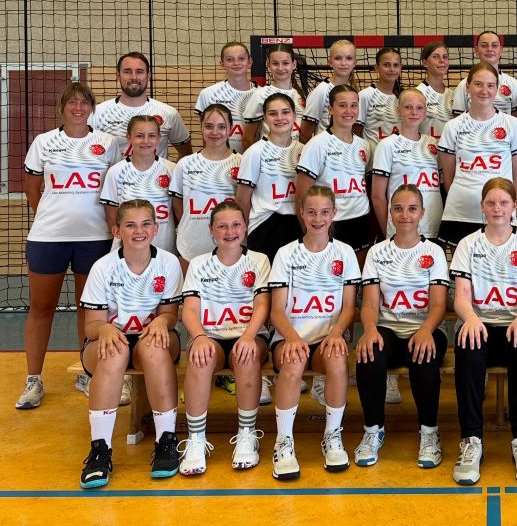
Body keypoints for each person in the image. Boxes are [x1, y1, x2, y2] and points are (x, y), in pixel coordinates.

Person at [17, 82, 119, 410]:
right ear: (61, 108)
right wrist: (52, 215)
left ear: (92, 108)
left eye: (84, 102)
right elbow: (32, 187)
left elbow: (115, 187)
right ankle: (34, 379)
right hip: (49, 238)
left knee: (89, 309)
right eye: (71, 103)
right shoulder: (44, 142)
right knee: (41, 308)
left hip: (95, 238)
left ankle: (88, 373)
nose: (78, 108)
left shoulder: (108, 143)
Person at [78, 200, 183, 489]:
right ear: (117, 231)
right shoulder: (103, 267)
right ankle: (100, 450)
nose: (139, 231)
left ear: (156, 228)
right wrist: (105, 329)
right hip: (110, 339)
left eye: (146, 224)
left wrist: (163, 321)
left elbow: (170, 315)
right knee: (115, 352)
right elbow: (91, 325)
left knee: (154, 348)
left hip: (153, 338)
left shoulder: (168, 263)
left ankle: (166, 442)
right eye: (130, 225)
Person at [450, 178, 517, 486]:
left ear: (515, 205)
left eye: (504, 202)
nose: (497, 209)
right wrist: (470, 318)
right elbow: (461, 297)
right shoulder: (467, 244)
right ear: (482, 206)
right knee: (468, 349)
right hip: (480, 323)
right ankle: (471, 441)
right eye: (491, 203)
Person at [267, 186, 360, 479]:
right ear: (301, 214)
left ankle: (332, 436)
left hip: (327, 338)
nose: (318, 219)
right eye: (311, 212)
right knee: (293, 361)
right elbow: (276, 311)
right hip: (290, 337)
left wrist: (337, 332)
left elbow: (349, 307)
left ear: (333, 214)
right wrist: (292, 338)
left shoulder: (345, 252)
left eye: (324, 212)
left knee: (337, 360)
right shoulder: (285, 254)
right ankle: (284, 441)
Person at [355, 185, 450, 469]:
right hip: (389, 329)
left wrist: (425, 330)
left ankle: (429, 432)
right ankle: (373, 430)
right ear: (390, 213)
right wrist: (369, 329)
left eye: (411, 209)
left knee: (424, 356)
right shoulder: (377, 252)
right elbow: (370, 304)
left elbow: (438, 305)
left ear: (422, 213)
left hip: (425, 328)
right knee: (369, 353)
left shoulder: (433, 252)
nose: (405, 215)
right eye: (398, 208)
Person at [177, 202, 271, 476]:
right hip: (211, 337)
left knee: (247, 355)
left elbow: (262, 305)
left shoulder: (259, 260)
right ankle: (196, 440)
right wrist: (199, 337)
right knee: (200, 358)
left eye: (236, 225)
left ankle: (247, 435)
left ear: (245, 227)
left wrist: (249, 336)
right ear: (211, 230)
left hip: (249, 336)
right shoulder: (198, 264)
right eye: (222, 226)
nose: (230, 232)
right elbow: (190, 310)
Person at [437, 63, 517, 247]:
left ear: (497, 89)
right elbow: (449, 179)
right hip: (461, 213)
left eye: (490, 85)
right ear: (468, 87)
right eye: (478, 84)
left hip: (499, 214)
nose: (484, 91)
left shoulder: (512, 124)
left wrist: (504, 204)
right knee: (462, 264)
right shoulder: (453, 126)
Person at [296, 84, 373, 265]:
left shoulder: (364, 145)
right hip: (332, 222)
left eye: (353, 105)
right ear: (331, 109)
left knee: (356, 277)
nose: (349, 111)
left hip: (361, 220)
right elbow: (301, 196)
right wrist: (310, 232)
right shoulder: (317, 145)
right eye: (342, 105)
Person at [169, 104, 241, 270]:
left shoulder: (241, 162)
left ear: (231, 129)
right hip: (192, 244)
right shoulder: (185, 164)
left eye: (221, 127)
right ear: (201, 128)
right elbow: (178, 204)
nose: (215, 132)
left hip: (230, 243)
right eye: (209, 126)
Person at [236, 93, 304, 262]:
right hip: (265, 226)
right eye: (273, 113)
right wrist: (243, 235)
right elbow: (242, 199)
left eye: (285, 112)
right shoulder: (255, 152)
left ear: (294, 115)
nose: (280, 118)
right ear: (265, 118)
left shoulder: (304, 150)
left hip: (298, 223)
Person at [371, 88, 443, 241]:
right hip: (402, 231)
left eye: (419, 108)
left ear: (425, 112)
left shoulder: (433, 144)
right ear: (399, 110)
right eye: (408, 107)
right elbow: (377, 196)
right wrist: (390, 231)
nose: (414, 112)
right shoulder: (387, 145)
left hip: (433, 228)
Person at [90, 52, 192, 160]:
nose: (134, 77)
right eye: (127, 71)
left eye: (139, 72)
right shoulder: (98, 113)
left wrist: (170, 169)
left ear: (148, 76)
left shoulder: (169, 113)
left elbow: (186, 154)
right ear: (118, 76)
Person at [101, 115, 177, 255]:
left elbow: (178, 212)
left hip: (164, 248)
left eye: (151, 136)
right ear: (129, 137)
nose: (146, 141)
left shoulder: (172, 169)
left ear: (159, 138)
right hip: (127, 250)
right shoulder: (116, 172)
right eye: (139, 136)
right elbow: (112, 217)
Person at [242, 45, 307, 151]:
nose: (280, 68)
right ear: (268, 66)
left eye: (285, 63)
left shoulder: (298, 95)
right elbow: (247, 138)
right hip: (269, 156)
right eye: (275, 64)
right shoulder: (261, 95)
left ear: (294, 64)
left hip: (294, 156)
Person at [196, 42, 255, 153]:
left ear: (250, 62)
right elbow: (206, 134)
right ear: (222, 64)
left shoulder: (261, 94)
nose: (236, 63)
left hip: (252, 159)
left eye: (241, 58)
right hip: (220, 158)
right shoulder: (208, 94)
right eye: (230, 59)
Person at [451, 31, 517, 119]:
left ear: (501, 50)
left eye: (494, 45)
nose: (489, 49)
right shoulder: (464, 85)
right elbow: (459, 121)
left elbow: (515, 122)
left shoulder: (514, 84)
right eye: (484, 45)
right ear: (476, 50)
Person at [301, 40, 357, 143]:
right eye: (338, 58)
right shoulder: (322, 91)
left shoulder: (353, 90)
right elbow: (305, 134)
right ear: (330, 62)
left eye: (349, 58)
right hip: (325, 149)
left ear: (355, 63)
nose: (343, 63)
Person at [356, 46, 403, 148]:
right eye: (386, 65)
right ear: (376, 68)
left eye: (396, 65)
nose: (392, 69)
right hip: (373, 156)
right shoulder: (365, 95)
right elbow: (355, 132)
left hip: (399, 155)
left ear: (400, 68)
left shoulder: (404, 97)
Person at [416, 41, 454, 140]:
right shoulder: (418, 94)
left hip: (448, 149)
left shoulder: (453, 95)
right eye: (435, 57)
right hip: (425, 148)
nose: (442, 60)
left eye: (445, 57)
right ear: (425, 62)